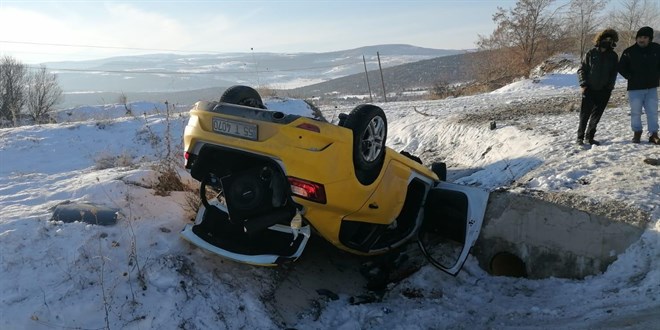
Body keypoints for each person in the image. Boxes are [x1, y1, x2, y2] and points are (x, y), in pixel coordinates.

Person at [576, 29, 620, 145]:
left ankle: (589, 137)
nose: (607, 41)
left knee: (596, 117)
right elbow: (582, 70)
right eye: (605, 39)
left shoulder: (613, 56)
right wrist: (583, 84)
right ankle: (579, 138)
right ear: (600, 39)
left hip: (604, 91)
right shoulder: (591, 53)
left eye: (610, 40)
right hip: (589, 89)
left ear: (613, 42)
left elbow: (613, 73)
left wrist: (609, 88)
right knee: (584, 115)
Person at [618, 26, 660, 145]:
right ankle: (637, 133)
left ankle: (654, 134)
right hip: (635, 88)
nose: (642, 39)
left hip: (651, 87)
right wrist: (629, 76)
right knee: (636, 112)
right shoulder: (629, 51)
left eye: (645, 37)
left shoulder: (657, 49)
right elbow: (621, 67)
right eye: (640, 37)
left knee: (652, 112)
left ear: (650, 39)